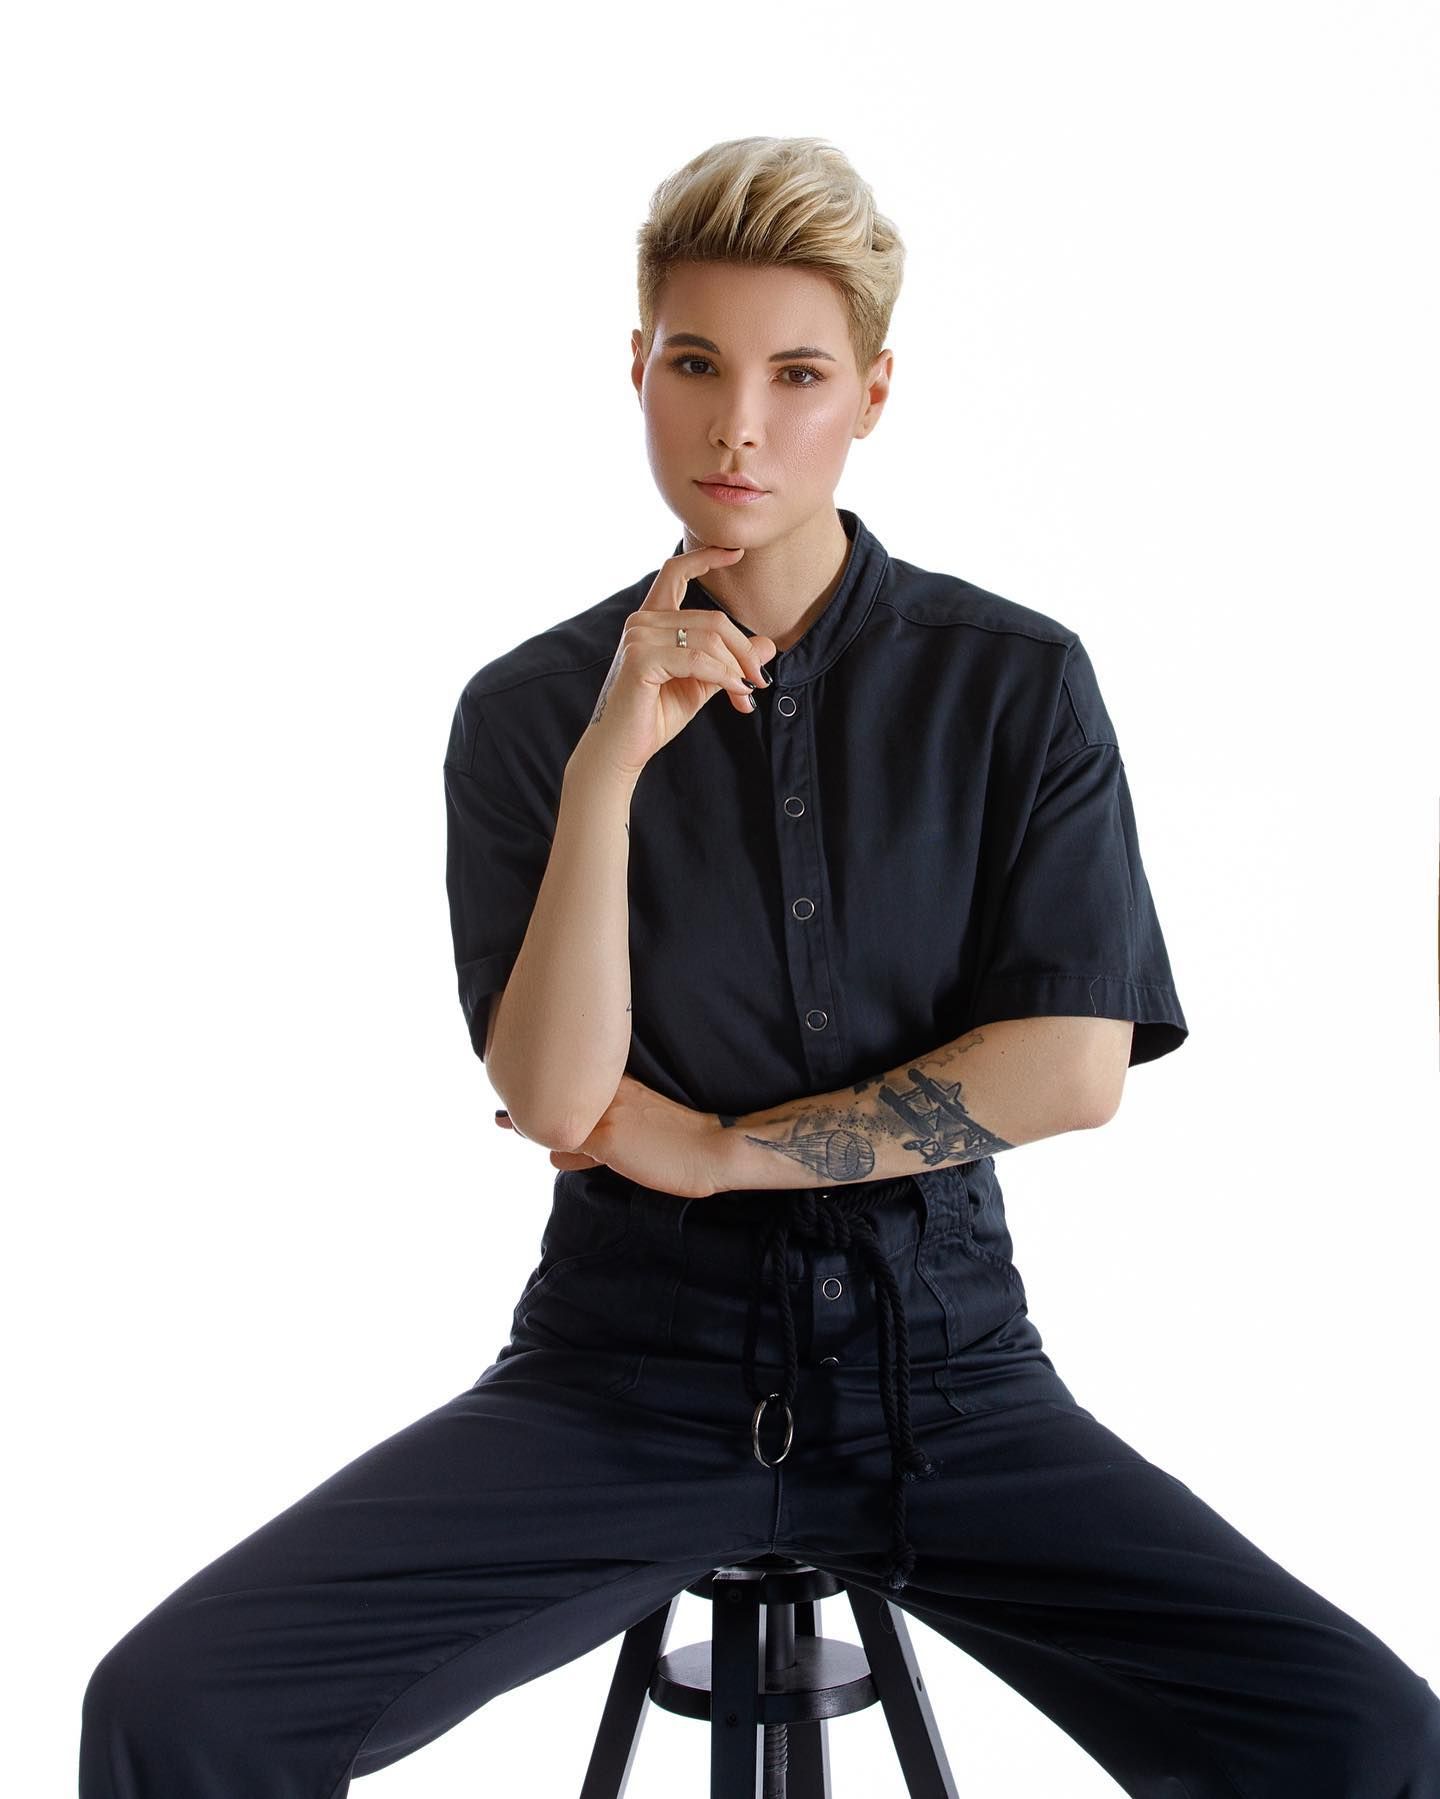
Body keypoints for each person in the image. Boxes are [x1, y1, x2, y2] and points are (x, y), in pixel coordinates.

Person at [79, 135, 1439, 1799]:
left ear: (872, 394)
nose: (739, 426)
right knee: (175, 1709)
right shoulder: (527, 714)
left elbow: (1072, 1069)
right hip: (620, 1385)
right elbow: (557, 1099)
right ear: (635, 370)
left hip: (948, 1381)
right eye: (696, 365)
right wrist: (609, 766)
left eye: (796, 375)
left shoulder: (1013, 683)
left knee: (1367, 1737)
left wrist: (727, 1151)